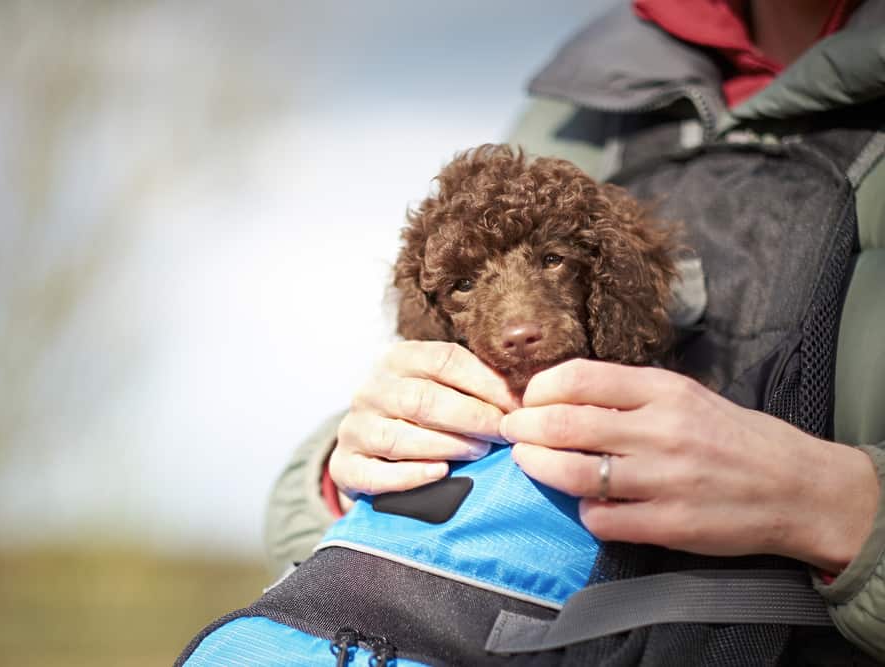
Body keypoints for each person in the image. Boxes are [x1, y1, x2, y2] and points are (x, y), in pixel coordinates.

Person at [263, 0, 885, 661]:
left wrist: (841, 509)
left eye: (553, 262)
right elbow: (316, 541)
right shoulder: (576, 98)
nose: (519, 325)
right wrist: (344, 471)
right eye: (467, 287)